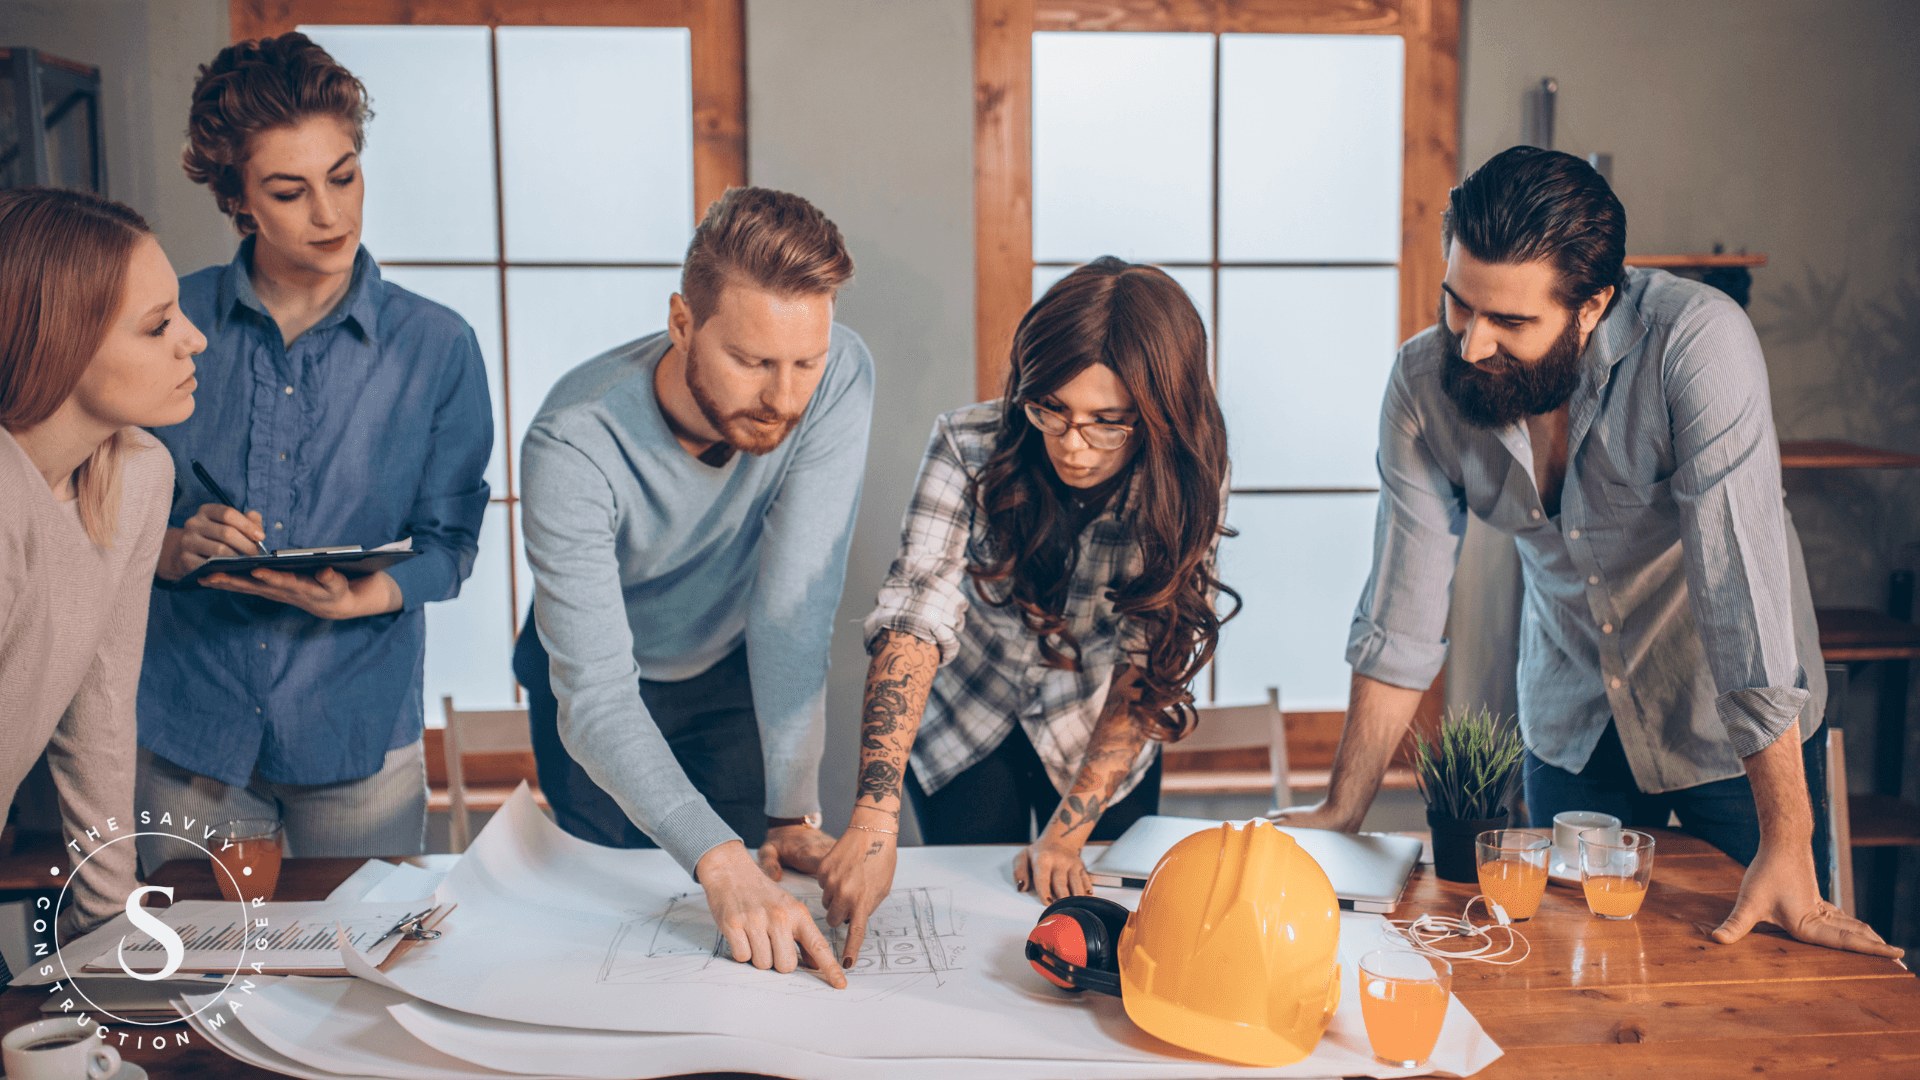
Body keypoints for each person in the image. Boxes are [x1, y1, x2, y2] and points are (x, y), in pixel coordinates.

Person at [1275, 146, 1900, 959]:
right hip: (1571, 720)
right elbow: (1402, 609)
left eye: (1510, 323)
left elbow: (1740, 594)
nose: (1469, 345)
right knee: (1566, 973)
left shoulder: (1697, 344)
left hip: (1729, 723)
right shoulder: (1422, 384)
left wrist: (1787, 837)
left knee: (1759, 964)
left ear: (1592, 305)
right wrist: (1341, 814)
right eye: (1459, 305)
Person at [135, 33, 493, 873]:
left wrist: (362, 597)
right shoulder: (166, 321)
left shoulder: (438, 345)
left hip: (358, 732)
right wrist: (171, 549)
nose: (330, 214)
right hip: (190, 730)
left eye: (344, 177)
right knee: (197, 992)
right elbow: (87, 518)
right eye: (290, 192)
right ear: (238, 200)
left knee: (359, 990)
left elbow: (453, 548)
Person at [817, 258, 1234, 967]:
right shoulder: (968, 444)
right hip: (963, 722)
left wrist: (1068, 832)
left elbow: (1151, 657)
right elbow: (916, 616)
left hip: (1099, 727)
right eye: (1053, 411)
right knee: (971, 930)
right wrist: (873, 819)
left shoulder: (1186, 475)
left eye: (1108, 423)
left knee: (1107, 938)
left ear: (1157, 413)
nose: (1073, 445)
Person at [512, 186, 870, 986]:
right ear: (683, 325)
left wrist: (790, 811)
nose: (783, 399)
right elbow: (599, 697)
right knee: (610, 925)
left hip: (727, 666)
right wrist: (717, 859)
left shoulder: (839, 373)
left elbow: (795, 605)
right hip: (599, 676)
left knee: (748, 928)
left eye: (802, 362)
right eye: (750, 361)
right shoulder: (574, 441)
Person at [0, 188, 206, 943]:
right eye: (158, 326)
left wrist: (112, 937)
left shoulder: (141, 471)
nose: (195, 339)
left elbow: (101, 715)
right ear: (61, 341)